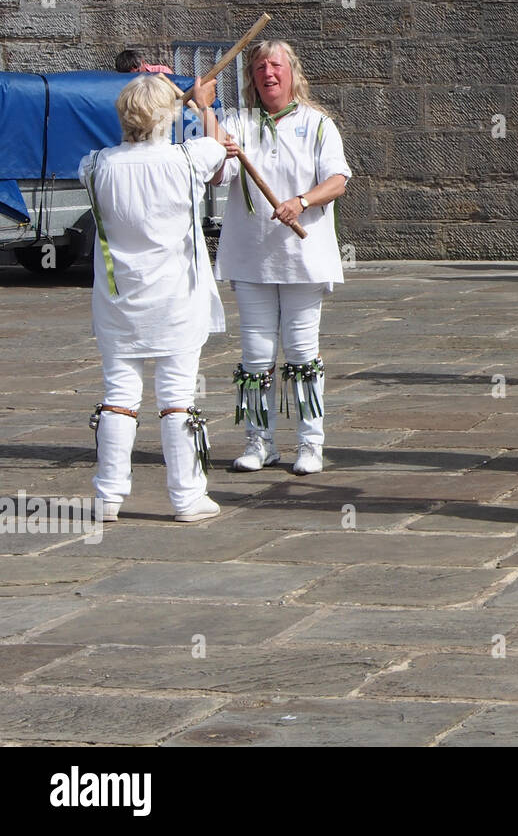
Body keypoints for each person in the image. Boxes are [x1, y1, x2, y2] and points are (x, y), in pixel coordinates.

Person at [78, 73, 228, 523]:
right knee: (177, 397)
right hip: (175, 301)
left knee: (119, 395)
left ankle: (108, 496)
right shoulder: (186, 159)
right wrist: (203, 106)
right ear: (166, 117)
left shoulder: (96, 164)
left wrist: (180, 104)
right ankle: (185, 497)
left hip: (118, 301)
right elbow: (218, 145)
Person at [214, 40, 352, 476]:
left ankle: (311, 443)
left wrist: (301, 201)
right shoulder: (236, 122)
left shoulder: (317, 124)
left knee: (301, 351)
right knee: (255, 355)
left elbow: (338, 180)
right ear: (252, 78)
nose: (267, 73)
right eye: (258, 67)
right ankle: (260, 441)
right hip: (251, 257)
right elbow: (217, 173)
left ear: (292, 72)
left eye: (275, 65)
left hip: (301, 257)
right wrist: (206, 112)